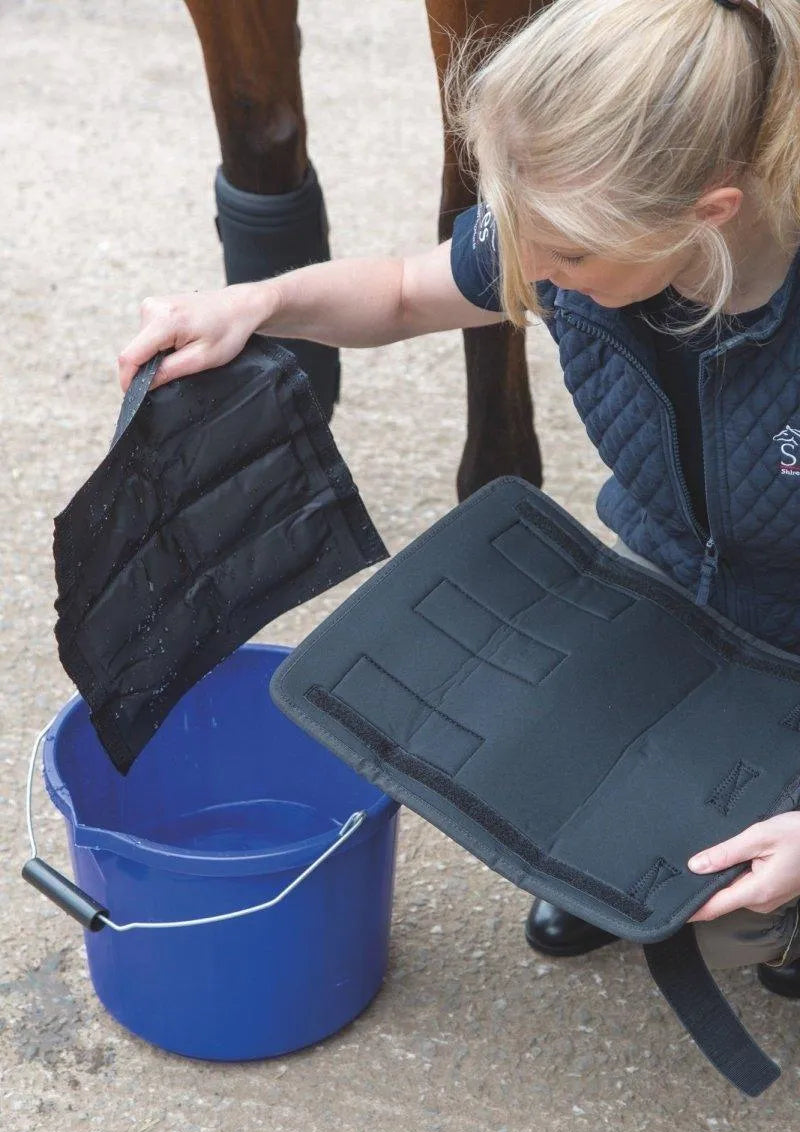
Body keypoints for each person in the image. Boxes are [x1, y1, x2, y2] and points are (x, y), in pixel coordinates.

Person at [119, 0, 800, 996]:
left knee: (762, 913)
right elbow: (404, 289)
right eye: (519, 235)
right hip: (667, 599)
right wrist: (257, 302)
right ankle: (626, 849)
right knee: (524, 732)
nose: (531, 275)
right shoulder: (574, 229)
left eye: (566, 258)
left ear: (709, 213)